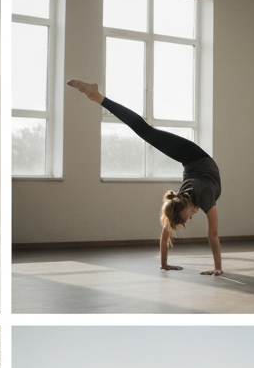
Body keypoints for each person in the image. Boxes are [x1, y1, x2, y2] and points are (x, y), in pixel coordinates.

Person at [67, 79, 222, 276]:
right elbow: (194, 233)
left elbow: (203, 234)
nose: (190, 218)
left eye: (187, 217)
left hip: (193, 158)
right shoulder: (202, 196)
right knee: (146, 132)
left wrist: (216, 268)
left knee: (146, 132)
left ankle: (96, 96)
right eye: (189, 217)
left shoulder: (189, 199)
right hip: (195, 161)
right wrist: (166, 265)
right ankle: (96, 96)